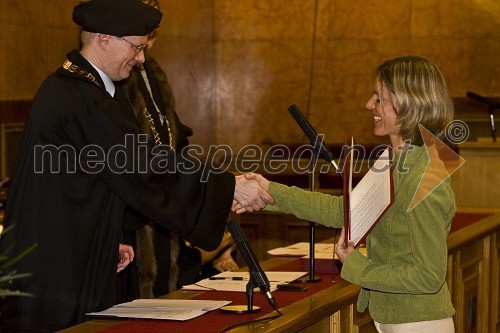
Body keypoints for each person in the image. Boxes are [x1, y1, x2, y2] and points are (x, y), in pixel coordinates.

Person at [0, 0, 272, 332]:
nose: (141, 59)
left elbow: (88, 183)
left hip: (71, 249)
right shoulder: (85, 100)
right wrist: (229, 187)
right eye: (137, 47)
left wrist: (110, 233)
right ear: (104, 39)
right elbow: (143, 167)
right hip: (58, 268)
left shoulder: (77, 89)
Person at [236, 56, 456, 332]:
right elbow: (346, 210)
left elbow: (428, 276)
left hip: (418, 323)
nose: (368, 104)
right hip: (398, 319)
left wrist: (357, 266)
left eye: (379, 97)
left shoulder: (424, 176)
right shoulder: (400, 161)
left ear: (409, 103)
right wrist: (269, 191)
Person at [118, 0, 239, 299]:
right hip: (132, 215)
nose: (146, 44)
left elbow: (170, 136)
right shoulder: (113, 76)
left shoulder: (151, 73)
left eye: (154, 33)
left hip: (163, 204)